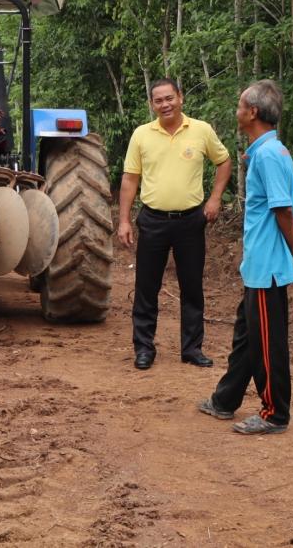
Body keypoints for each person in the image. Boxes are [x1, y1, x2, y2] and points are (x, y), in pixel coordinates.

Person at [198, 79, 293, 435]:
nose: (237, 111)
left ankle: (275, 414)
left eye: (240, 106)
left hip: (268, 266)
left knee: (268, 344)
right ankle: (225, 400)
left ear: (252, 112)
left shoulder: (269, 155)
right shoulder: (266, 152)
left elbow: (282, 209)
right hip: (257, 266)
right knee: (246, 337)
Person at [118, 78, 233, 370]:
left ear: (180, 97)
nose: (165, 104)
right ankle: (144, 348)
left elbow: (224, 161)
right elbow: (130, 179)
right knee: (146, 287)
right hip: (153, 220)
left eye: (169, 98)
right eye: (158, 100)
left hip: (191, 221)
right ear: (151, 105)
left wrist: (215, 199)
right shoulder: (142, 135)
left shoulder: (201, 130)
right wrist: (124, 220)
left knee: (192, 286)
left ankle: (192, 348)